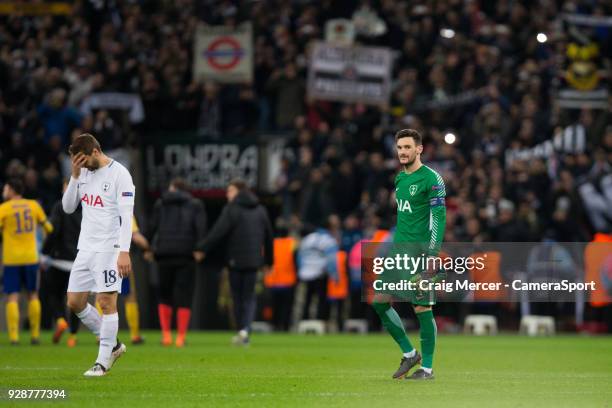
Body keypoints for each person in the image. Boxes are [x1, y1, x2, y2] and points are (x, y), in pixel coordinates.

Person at [372, 129, 446, 380]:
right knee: (379, 301)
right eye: (399, 147)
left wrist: (434, 253)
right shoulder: (399, 179)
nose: (402, 152)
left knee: (422, 308)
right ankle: (409, 353)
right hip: (398, 250)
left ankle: (427, 368)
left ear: (419, 149)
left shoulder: (432, 179)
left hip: (421, 252)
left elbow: (438, 217)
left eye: (407, 147)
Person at [62, 133, 135, 377]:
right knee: (74, 301)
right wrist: (74, 176)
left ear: (95, 151)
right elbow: (68, 207)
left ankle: (102, 362)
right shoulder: (81, 172)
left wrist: (124, 251)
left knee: (106, 302)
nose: (81, 166)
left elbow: (126, 216)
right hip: (86, 248)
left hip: (110, 248)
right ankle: (113, 345)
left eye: (83, 161)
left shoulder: (120, 174)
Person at [197, 179, 273, 345]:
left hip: (235, 260)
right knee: (249, 297)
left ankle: (241, 330)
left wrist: (201, 248)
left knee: (238, 297)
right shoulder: (260, 210)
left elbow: (218, 232)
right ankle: (245, 330)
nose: (227, 194)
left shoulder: (231, 209)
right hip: (254, 261)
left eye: (230, 191)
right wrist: (269, 262)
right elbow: (268, 237)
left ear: (238, 191)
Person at [147, 178, 206, 347]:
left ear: (173, 188)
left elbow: (152, 227)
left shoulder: (161, 203)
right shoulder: (196, 205)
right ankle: (180, 337)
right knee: (184, 296)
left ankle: (166, 335)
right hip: (187, 255)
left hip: (164, 254)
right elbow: (200, 228)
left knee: (164, 295)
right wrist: (200, 249)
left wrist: (148, 248)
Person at [0, 178, 54, 344]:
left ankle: (14, 337)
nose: (3, 192)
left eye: (5, 189)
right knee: (33, 294)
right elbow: (49, 228)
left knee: (13, 297)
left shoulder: (4, 209)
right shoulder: (34, 205)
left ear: (11, 190)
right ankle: (35, 335)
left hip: (12, 259)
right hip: (31, 257)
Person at [41, 180, 82, 346]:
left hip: (59, 259)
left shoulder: (60, 206)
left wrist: (44, 252)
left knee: (54, 294)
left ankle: (60, 320)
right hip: (79, 260)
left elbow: (53, 230)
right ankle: (72, 336)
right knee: (76, 300)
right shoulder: (86, 207)